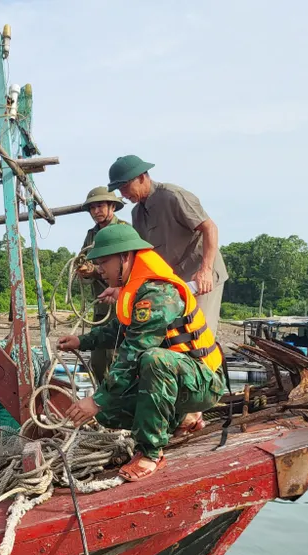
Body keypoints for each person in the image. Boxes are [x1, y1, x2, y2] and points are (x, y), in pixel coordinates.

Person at [57, 224, 226, 482]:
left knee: (152, 360)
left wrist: (96, 399)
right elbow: (118, 330)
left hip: (203, 382)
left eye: (104, 262)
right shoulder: (136, 290)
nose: (100, 269)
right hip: (179, 380)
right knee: (108, 413)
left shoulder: (158, 293)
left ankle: (151, 453)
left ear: (126, 256)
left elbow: (134, 350)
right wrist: (81, 342)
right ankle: (183, 417)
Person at [106, 155, 228, 334]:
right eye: (119, 189)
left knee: (199, 334)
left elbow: (210, 228)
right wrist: (120, 286)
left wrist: (206, 270)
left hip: (200, 277)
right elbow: (141, 257)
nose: (123, 194)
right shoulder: (137, 214)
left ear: (141, 177)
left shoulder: (174, 196)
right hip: (174, 282)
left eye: (125, 187)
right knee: (174, 336)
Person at [76, 186, 128, 384]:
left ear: (112, 207)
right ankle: (103, 402)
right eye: (92, 208)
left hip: (122, 303)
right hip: (102, 305)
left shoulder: (124, 230)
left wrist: (96, 271)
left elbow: (128, 267)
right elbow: (83, 261)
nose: (96, 211)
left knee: (116, 357)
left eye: (100, 206)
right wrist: (84, 270)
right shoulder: (91, 235)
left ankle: (118, 403)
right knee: (98, 361)